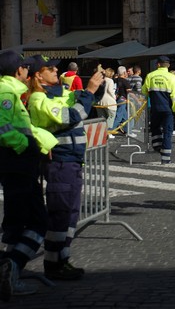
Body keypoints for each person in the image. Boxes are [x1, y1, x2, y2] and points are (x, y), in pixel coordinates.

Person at [27, 54, 104, 280]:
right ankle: (53, 265)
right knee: (60, 214)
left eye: (55, 68)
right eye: (49, 69)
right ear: (38, 76)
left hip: (72, 160)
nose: (55, 71)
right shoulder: (38, 100)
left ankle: (63, 258)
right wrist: (88, 92)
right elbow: (72, 115)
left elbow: (78, 100)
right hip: (60, 161)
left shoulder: (58, 93)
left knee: (71, 214)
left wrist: (93, 87)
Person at [0, 51, 57, 300]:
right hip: (16, 164)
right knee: (33, 221)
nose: (27, 71)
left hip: (19, 164)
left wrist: (42, 143)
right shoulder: (6, 93)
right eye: (24, 67)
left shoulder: (11, 92)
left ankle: (9, 270)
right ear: (18, 71)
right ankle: (10, 269)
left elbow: (24, 127)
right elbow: (4, 130)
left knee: (24, 221)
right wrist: (28, 146)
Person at [142, 56, 175, 164]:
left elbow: (144, 92)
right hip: (168, 110)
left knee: (154, 128)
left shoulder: (150, 76)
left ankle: (157, 146)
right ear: (168, 65)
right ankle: (165, 159)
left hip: (155, 108)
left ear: (158, 64)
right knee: (168, 133)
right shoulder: (172, 78)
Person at [96, 67, 117, 139]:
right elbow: (110, 90)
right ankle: (108, 132)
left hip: (100, 101)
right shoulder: (110, 81)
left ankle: (101, 133)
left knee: (102, 117)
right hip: (109, 102)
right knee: (111, 116)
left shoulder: (101, 80)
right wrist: (114, 97)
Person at [112, 66, 132, 136]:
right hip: (123, 100)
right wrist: (136, 99)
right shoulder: (125, 81)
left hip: (117, 99)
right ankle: (110, 131)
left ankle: (127, 131)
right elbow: (129, 92)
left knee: (125, 117)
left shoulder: (115, 80)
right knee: (119, 116)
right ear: (124, 72)